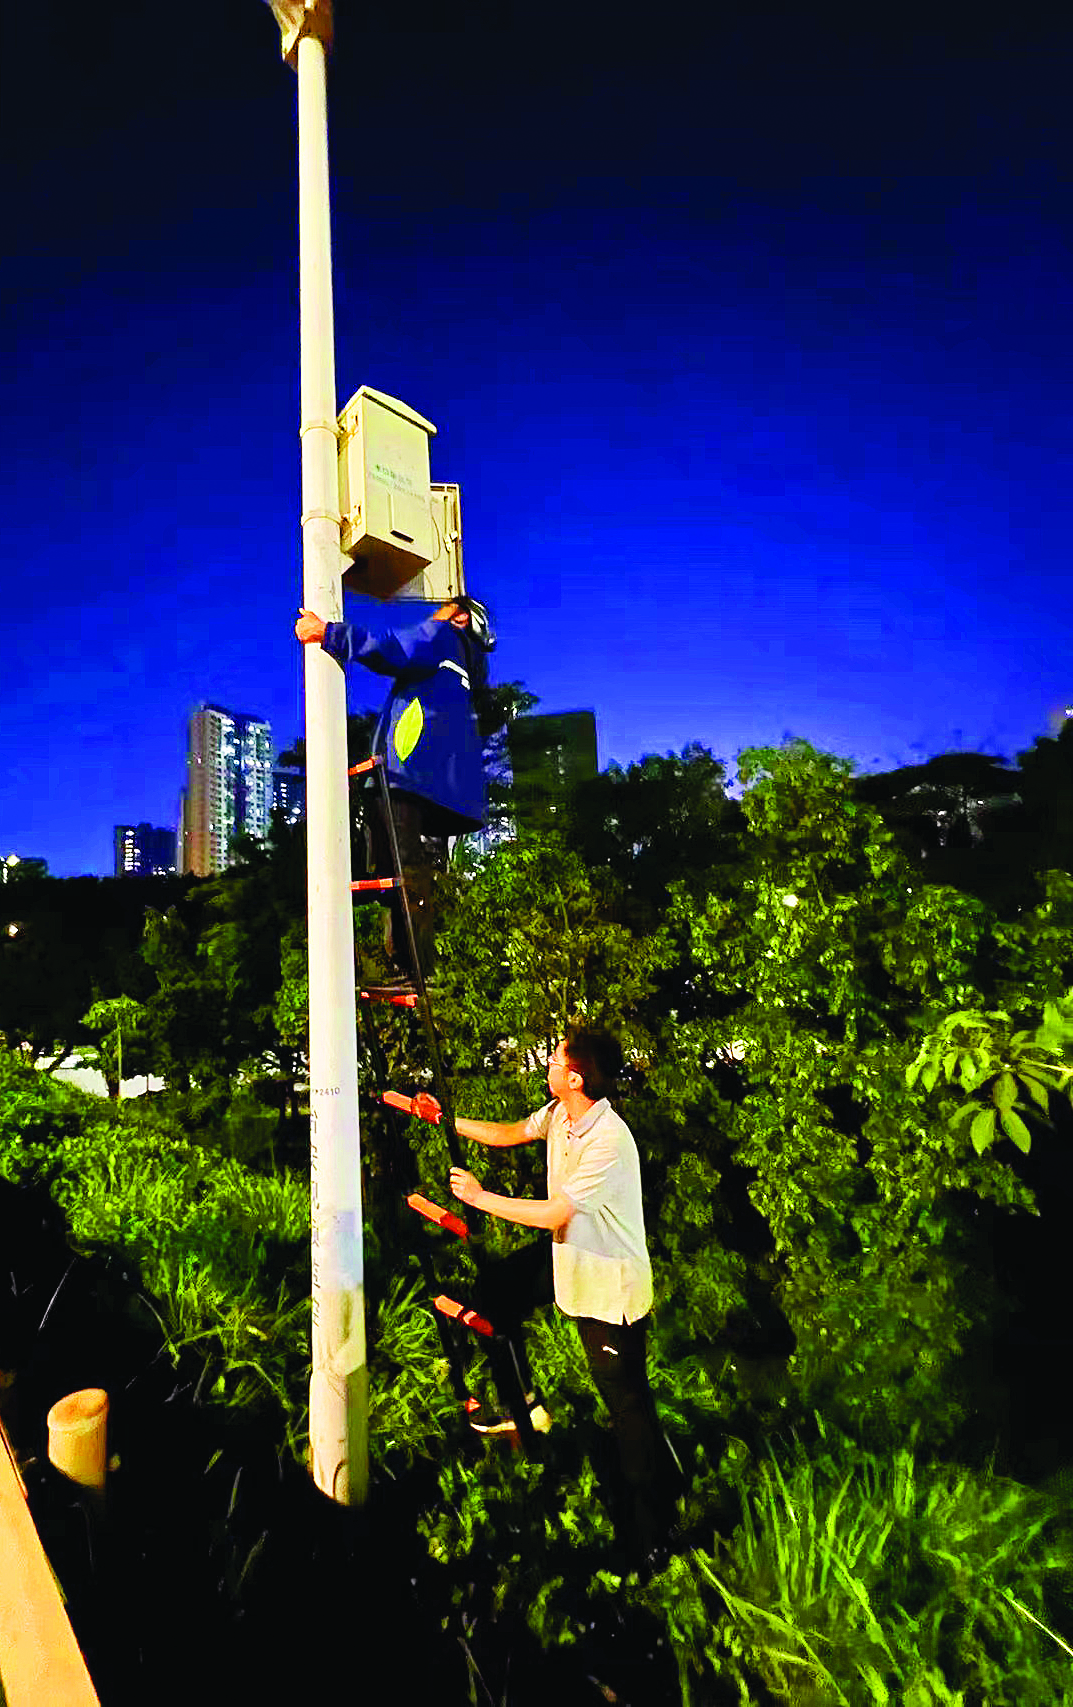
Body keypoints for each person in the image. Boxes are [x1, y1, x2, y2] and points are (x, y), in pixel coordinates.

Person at [437, 1025, 683, 1569]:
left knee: (627, 1407)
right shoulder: (559, 1116)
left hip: (608, 1288)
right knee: (497, 1291)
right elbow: (508, 1133)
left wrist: (479, 1197)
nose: (547, 1065)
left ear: (575, 1078)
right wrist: (444, 1119)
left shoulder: (608, 1140)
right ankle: (526, 1405)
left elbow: (554, 1213)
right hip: (570, 1262)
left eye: (554, 1059)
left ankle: (654, 1538)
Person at [294, 595, 495, 981]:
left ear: (458, 616)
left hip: (407, 768)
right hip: (435, 780)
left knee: (399, 865)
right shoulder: (469, 667)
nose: (432, 615)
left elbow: (395, 648)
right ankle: (410, 963)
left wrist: (329, 633)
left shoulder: (443, 636)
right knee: (403, 866)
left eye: (440, 610)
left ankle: (413, 965)